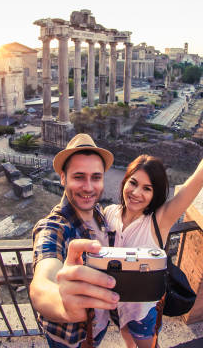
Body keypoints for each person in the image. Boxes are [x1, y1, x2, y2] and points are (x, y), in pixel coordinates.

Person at [103, 94, 203, 348]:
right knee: (127, 339)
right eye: (133, 183)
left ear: (155, 195)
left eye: (147, 189)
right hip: (116, 303)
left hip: (142, 309)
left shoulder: (159, 220)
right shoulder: (110, 213)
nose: (137, 193)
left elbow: (200, 177)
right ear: (124, 181)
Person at [30, 134, 120, 348]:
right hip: (69, 339)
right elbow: (41, 285)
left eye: (96, 177)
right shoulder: (54, 227)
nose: (89, 187)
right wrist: (61, 302)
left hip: (98, 326)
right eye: (79, 177)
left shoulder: (99, 213)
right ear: (63, 178)